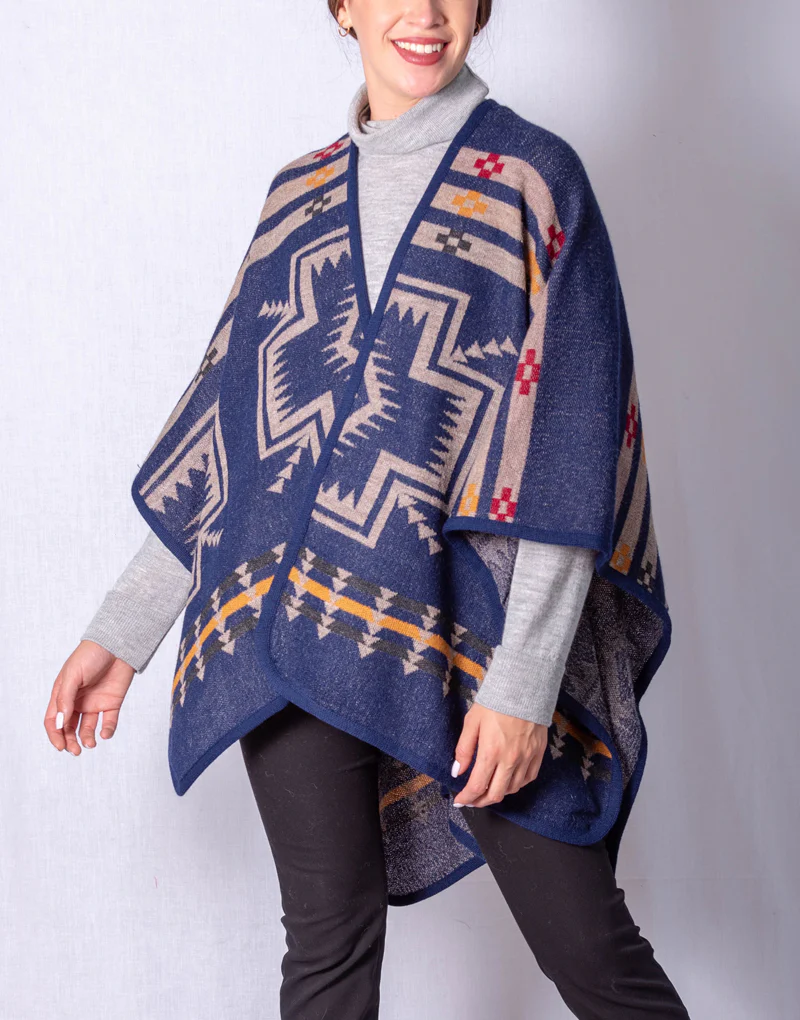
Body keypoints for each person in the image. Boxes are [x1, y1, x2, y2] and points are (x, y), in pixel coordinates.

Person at [44, 2, 692, 1017]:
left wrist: (524, 688)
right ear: (342, 7)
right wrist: (122, 632)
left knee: (591, 954)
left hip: (479, 641)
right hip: (291, 625)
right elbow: (231, 446)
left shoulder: (533, 179)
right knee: (327, 953)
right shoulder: (296, 197)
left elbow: (570, 448)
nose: (423, 14)